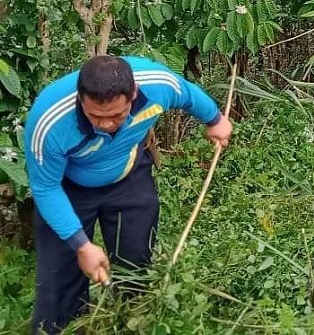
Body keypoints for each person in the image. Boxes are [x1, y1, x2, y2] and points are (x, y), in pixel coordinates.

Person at [25, 55, 233, 334]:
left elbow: (187, 93)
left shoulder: (157, 84)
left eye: (116, 115)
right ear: (80, 98)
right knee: (59, 283)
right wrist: (82, 245)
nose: (106, 124)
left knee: (135, 265)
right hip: (66, 189)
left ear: (133, 95)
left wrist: (215, 119)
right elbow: (45, 188)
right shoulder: (50, 121)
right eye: (95, 116)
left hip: (127, 175)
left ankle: (131, 324)